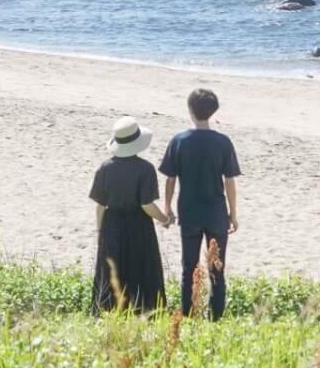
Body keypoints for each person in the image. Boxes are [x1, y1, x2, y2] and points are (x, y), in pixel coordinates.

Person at [159, 87, 241, 319]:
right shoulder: (223, 142)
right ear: (213, 111)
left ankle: (188, 315)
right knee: (217, 269)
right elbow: (229, 181)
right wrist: (233, 213)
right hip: (216, 212)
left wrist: (167, 207)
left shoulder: (179, 141)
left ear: (190, 110)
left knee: (189, 267)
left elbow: (170, 179)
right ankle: (216, 318)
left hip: (189, 212)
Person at [88, 115, 172, 314]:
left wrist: (100, 230)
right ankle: (144, 309)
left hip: (112, 223)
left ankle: (109, 310)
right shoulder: (145, 169)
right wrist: (165, 219)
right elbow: (146, 205)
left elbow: (100, 205)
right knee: (141, 267)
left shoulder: (105, 168)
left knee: (112, 270)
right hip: (138, 224)